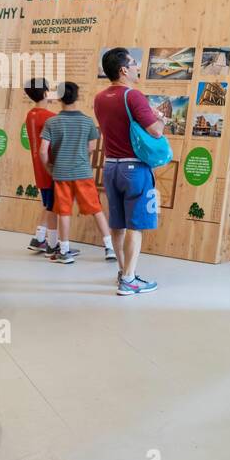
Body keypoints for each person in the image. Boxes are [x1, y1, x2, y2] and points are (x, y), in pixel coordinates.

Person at [92, 48, 164, 296]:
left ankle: (123, 273)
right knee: (136, 225)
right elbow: (156, 131)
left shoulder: (99, 98)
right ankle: (130, 280)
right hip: (134, 168)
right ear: (123, 69)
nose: (137, 66)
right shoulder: (133, 96)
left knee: (118, 225)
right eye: (134, 62)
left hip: (111, 166)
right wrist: (161, 119)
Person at [39, 81, 117, 264]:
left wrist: (49, 167)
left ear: (58, 98)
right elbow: (91, 147)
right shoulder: (87, 121)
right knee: (96, 209)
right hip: (83, 173)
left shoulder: (52, 122)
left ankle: (64, 251)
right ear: (77, 96)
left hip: (61, 174)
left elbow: (43, 151)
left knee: (64, 212)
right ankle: (109, 248)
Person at [22, 78, 59, 254]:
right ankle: (52, 244)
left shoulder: (30, 115)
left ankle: (39, 238)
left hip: (39, 166)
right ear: (45, 93)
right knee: (52, 206)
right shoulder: (50, 117)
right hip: (51, 167)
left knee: (47, 204)